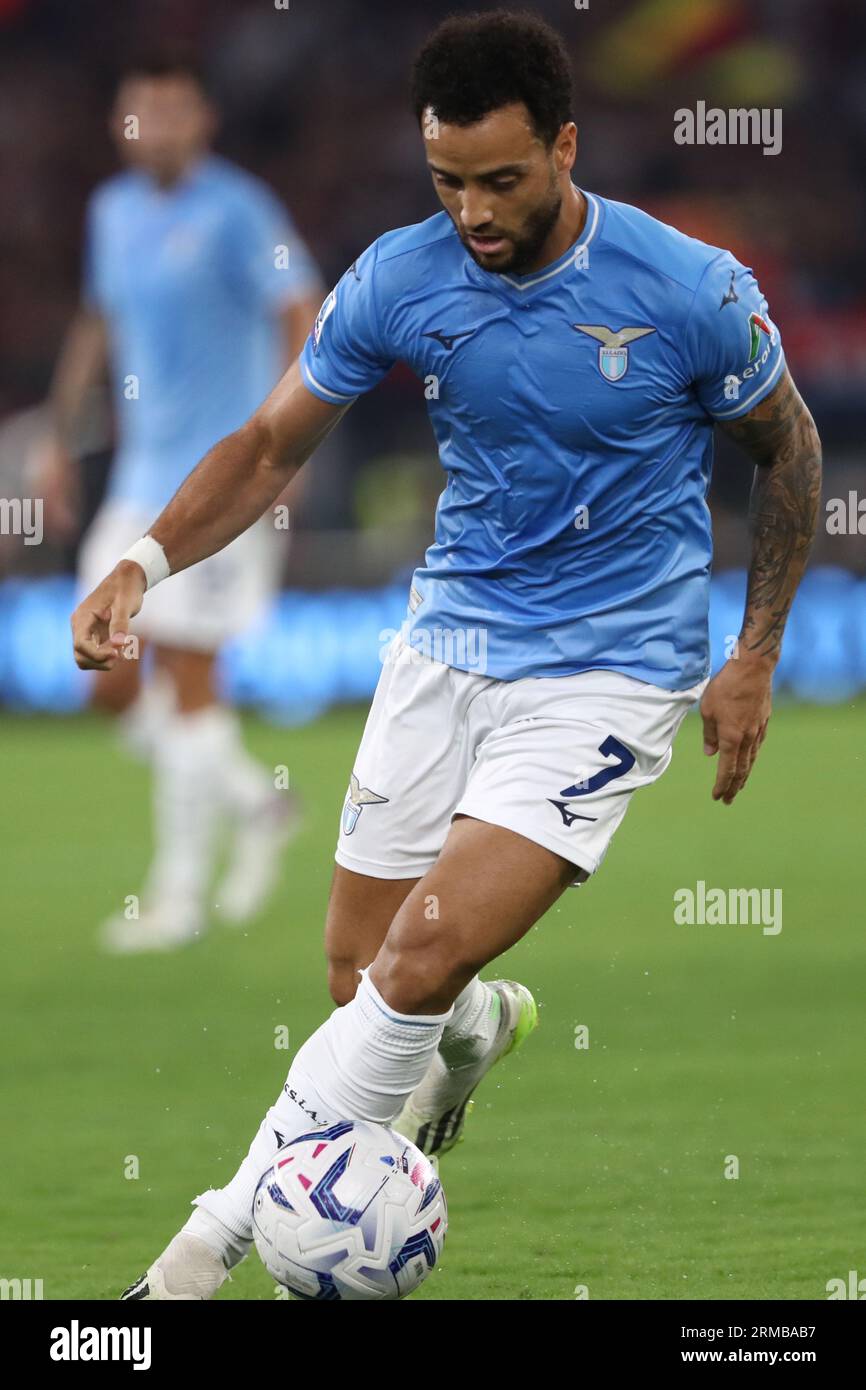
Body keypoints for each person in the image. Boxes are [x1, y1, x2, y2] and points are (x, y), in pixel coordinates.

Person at [71, 11, 821, 1298]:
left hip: (612, 668)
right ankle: (477, 1030)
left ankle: (199, 1252)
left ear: (565, 148)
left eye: (501, 180)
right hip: (445, 645)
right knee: (364, 979)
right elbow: (266, 448)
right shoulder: (399, 279)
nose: (471, 210)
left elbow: (788, 451)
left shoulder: (683, 288)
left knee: (409, 963)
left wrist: (752, 651)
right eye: (447, 182)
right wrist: (141, 560)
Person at [47, 54, 323, 951]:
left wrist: (297, 431)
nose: (153, 128)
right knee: (105, 670)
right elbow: (99, 319)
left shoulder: (240, 210)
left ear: (201, 120)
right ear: (120, 124)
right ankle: (256, 802)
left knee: (188, 674)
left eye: (171, 112)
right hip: (136, 483)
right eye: (139, 113)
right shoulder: (111, 213)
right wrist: (59, 431)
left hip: (223, 484)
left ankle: (175, 899)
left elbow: (301, 306)